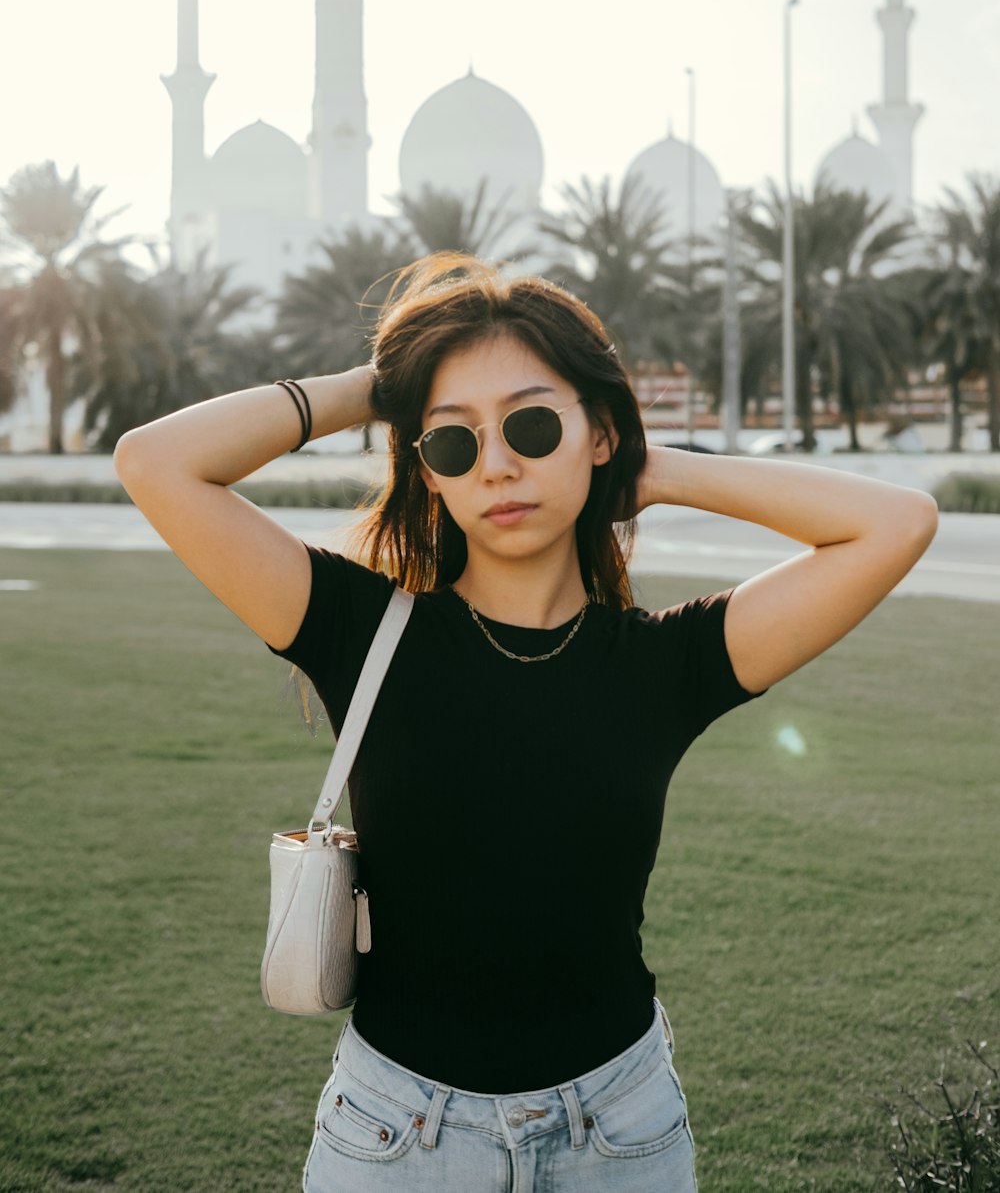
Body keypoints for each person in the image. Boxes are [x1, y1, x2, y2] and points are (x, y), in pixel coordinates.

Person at [114, 252, 938, 1192]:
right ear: (427, 471)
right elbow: (156, 463)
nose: (497, 464)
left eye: (534, 425)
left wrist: (652, 468)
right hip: (397, 1136)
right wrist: (381, 386)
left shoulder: (669, 662)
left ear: (597, 434)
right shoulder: (354, 627)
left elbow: (898, 522)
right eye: (453, 442)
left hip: (620, 1131)